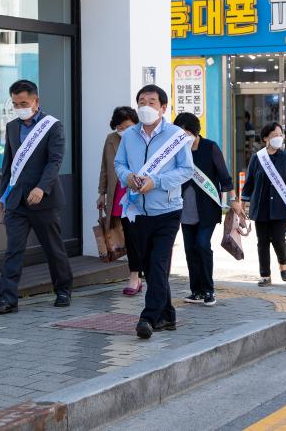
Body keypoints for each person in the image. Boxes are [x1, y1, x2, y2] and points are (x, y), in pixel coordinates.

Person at [115, 85, 195, 339]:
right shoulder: (129, 135)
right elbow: (119, 163)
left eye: (151, 102)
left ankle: (148, 317)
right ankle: (167, 315)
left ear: (163, 108)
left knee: (159, 263)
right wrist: (127, 177)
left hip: (167, 210)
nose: (146, 106)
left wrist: (156, 181)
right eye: (142, 101)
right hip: (137, 210)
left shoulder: (176, 136)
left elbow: (187, 170)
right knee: (150, 267)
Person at [0, 80, 72, 314]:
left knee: (53, 248)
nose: (19, 108)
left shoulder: (52, 126)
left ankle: (63, 290)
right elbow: (8, 165)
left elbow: (55, 161)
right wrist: (3, 197)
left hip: (44, 200)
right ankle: (7, 299)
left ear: (36, 101)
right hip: (17, 201)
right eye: (15, 104)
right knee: (13, 250)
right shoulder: (12, 127)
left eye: (24, 103)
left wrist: (41, 187)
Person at [174, 112, 239, 307]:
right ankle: (196, 291)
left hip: (207, 208)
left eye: (185, 132)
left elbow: (224, 176)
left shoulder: (210, 147)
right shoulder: (177, 150)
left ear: (194, 131)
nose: (183, 137)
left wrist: (233, 199)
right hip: (185, 208)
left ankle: (209, 290)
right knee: (190, 250)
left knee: (202, 245)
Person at [240, 123, 286, 287]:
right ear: (265, 138)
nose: (278, 138)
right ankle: (265, 275)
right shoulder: (257, 157)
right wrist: (242, 202)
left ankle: (283, 262)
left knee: (278, 240)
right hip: (261, 206)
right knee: (262, 242)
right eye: (274, 135)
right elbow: (249, 182)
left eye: (280, 135)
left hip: (280, 207)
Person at [97, 106, 144, 296]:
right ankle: (135, 276)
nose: (123, 130)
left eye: (127, 126)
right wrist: (101, 193)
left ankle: (143, 272)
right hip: (119, 194)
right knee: (130, 235)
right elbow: (105, 168)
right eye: (119, 127)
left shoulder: (144, 138)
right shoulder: (111, 139)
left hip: (142, 194)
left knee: (141, 236)